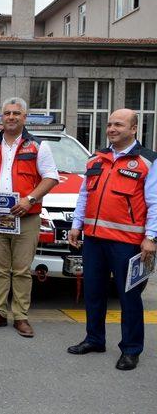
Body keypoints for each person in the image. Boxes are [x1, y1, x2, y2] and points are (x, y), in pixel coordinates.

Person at [67, 108, 157, 371]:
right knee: (93, 293)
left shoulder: (147, 161)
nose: (112, 129)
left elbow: (154, 203)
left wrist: (151, 238)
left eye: (119, 124)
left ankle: (130, 349)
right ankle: (95, 339)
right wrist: (76, 225)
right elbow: (85, 195)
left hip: (127, 242)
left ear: (133, 129)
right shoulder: (97, 158)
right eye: (109, 124)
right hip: (94, 240)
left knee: (129, 297)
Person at [0, 97, 58, 338]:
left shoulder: (38, 146)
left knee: (22, 270)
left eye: (16, 113)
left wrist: (29, 199)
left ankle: (21, 316)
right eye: (7, 113)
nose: (11, 117)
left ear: (25, 118)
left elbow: (51, 177)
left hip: (27, 216)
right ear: (1, 117)